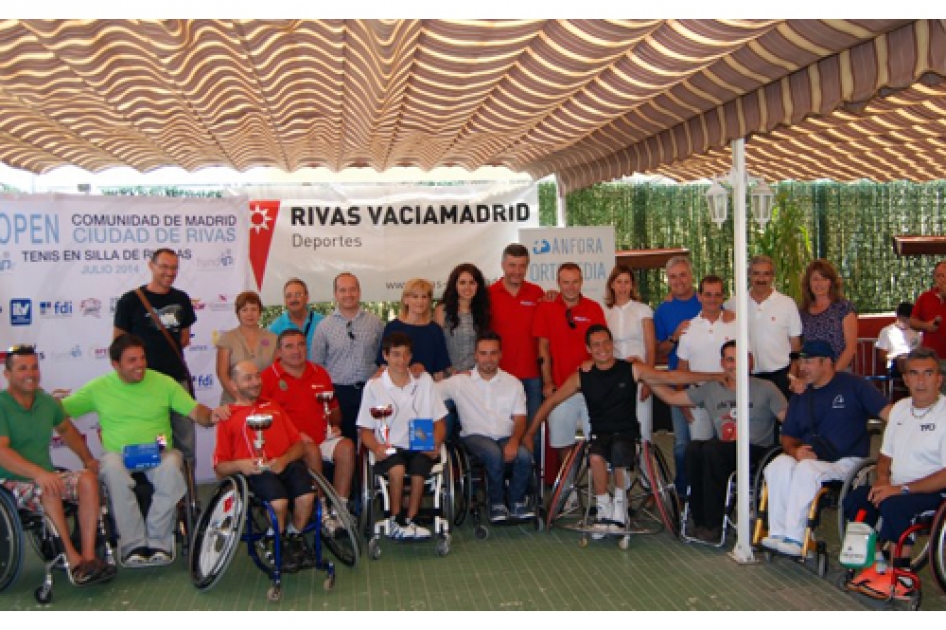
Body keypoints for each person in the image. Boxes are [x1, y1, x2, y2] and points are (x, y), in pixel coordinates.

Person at [524, 325, 720, 537]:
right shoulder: (582, 376)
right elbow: (551, 401)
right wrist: (529, 433)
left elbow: (671, 378)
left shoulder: (631, 369)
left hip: (627, 434)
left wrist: (713, 376)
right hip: (600, 435)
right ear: (588, 349)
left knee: (618, 450)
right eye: (596, 345)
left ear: (613, 344)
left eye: (606, 343)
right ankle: (603, 508)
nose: (603, 348)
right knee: (596, 456)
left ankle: (620, 506)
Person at [61, 334, 224, 566]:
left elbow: (196, 411)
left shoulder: (164, 382)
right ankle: (133, 544)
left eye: (142, 358)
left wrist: (211, 416)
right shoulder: (98, 388)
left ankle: (159, 541)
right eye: (132, 360)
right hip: (119, 454)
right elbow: (60, 413)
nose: (140, 365)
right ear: (115, 364)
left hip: (158, 452)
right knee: (112, 469)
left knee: (171, 466)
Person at [761, 339, 891, 557]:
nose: (803, 367)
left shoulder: (855, 386)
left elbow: (891, 415)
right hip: (812, 456)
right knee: (778, 465)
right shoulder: (802, 394)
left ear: (827, 362)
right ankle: (778, 533)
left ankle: (797, 536)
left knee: (806, 469)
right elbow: (788, 436)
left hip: (847, 461)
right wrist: (795, 451)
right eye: (802, 361)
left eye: (809, 362)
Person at [648, 341, 787, 542]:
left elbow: (789, 420)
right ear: (722, 363)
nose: (735, 364)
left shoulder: (766, 388)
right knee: (694, 448)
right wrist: (645, 378)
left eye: (741, 358)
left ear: (750, 361)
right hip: (723, 453)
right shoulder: (712, 389)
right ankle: (700, 520)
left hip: (755, 452)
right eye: (730, 359)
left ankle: (713, 525)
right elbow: (671, 397)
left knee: (712, 449)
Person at [0, 345, 115, 585]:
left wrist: (88, 459)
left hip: (44, 477)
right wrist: (39, 474)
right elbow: (2, 452)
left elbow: (67, 430)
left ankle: (89, 557)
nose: (30, 373)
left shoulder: (46, 402)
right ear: (7, 374)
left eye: (34, 367)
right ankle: (72, 561)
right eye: (22, 368)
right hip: (9, 483)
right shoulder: (2, 405)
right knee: (50, 486)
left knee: (87, 480)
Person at [841, 347, 946, 593]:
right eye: (914, 374)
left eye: (928, 373)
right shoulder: (899, 409)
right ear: (906, 379)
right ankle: (877, 566)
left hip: (934, 491)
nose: (921, 381)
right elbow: (884, 455)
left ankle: (902, 575)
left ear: (939, 379)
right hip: (896, 486)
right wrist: (881, 480)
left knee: (895, 505)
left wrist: (899, 490)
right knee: (857, 499)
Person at [213, 361, 315, 572]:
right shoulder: (227, 417)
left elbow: (299, 445)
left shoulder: (273, 407)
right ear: (233, 384)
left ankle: (292, 538)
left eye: (257, 376)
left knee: (307, 497)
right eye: (248, 378)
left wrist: (284, 460)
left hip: (284, 464)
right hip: (254, 473)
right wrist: (242, 464)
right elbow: (220, 468)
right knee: (278, 503)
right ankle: (275, 538)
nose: (255, 382)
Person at [358, 333, 447, 540]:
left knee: (418, 470)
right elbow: (365, 430)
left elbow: (439, 421)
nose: (402, 360)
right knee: (397, 469)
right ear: (385, 356)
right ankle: (395, 519)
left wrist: (436, 441)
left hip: (419, 442)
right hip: (389, 446)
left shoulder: (424, 380)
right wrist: (376, 448)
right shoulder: (374, 386)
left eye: (406, 355)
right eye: (396, 355)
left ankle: (411, 519)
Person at [436, 332, 533, 523]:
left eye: (493, 353)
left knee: (524, 455)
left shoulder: (513, 383)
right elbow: (428, 390)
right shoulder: (459, 382)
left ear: (500, 355)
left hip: (506, 435)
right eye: (483, 353)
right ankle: (496, 504)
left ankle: (516, 502)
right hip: (475, 437)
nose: (488, 358)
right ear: (475, 355)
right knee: (493, 453)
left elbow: (520, 418)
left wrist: (514, 441)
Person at [261, 329, 355, 524]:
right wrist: (295, 434)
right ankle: (320, 509)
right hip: (290, 444)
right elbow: (266, 420)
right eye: (289, 346)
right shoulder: (267, 378)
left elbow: (335, 413)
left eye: (301, 344)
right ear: (279, 351)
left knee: (346, 447)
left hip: (322, 437)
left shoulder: (320, 373)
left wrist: (333, 425)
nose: (296, 350)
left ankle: (340, 508)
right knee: (311, 450)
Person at [113, 248, 198, 463]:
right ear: (151, 266)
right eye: (164, 267)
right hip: (144, 386)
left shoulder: (182, 299)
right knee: (153, 446)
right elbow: (119, 344)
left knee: (186, 444)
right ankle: (158, 494)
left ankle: (188, 495)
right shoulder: (130, 300)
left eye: (174, 268)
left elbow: (185, 338)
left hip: (176, 382)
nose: (170, 272)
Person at [533, 263, 606, 462]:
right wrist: (547, 381)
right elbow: (543, 349)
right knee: (562, 443)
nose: (570, 287)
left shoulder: (593, 308)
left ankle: (598, 490)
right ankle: (569, 490)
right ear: (558, 283)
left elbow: (603, 345)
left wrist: (592, 360)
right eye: (566, 282)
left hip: (591, 388)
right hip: (560, 389)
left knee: (599, 441)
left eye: (575, 282)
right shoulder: (546, 307)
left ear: (581, 282)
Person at [310, 272, 385, 443]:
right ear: (335, 294)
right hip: (338, 394)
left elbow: (383, 358)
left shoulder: (375, 323)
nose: (348, 295)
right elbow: (316, 365)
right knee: (344, 444)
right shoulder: (324, 327)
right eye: (343, 290)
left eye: (352, 289)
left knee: (372, 440)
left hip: (370, 390)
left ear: (359, 292)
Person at [488, 243, 547, 448]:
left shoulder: (537, 293)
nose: (517, 271)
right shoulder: (489, 294)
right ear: (503, 265)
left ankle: (533, 479)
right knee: (500, 432)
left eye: (522, 266)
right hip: (498, 376)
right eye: (512, 265)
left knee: (532, 433)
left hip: (531, 375)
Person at [652, 256, 702, 496]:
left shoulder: (707, 300)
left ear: (691, 275)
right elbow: (659, 349)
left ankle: (708, 491)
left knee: (707, 443)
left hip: (709, 382)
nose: (679, 281)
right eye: (673, 277)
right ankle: (683, 494)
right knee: (682, 443)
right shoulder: (663, 310)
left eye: (683, 275)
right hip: (678, 383)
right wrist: (674, 337)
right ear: (667, 280)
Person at [726, 254, 802, 399]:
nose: (761, 279)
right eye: (756, 274)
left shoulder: (787, 304)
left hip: (781, 374)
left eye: (766, 274)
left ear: (773, 276)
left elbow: (795, 343)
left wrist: (792, 374)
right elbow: (712, 310)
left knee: (782, 419)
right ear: (749, 275)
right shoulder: (733, 303)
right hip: (748, 375)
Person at [676, 275, 738, 442]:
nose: (713, 299)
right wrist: (683, 402)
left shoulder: (735, 324)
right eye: (708, 294)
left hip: (730, 398)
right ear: (699, 296)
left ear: (723, 297)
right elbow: (682, 369)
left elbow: (747, 360)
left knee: (729, 449)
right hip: (700, 399)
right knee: (700, 450)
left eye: (717, 295)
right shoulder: (688, 329)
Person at [603, 264, 656, 440]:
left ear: (632, 285)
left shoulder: (643, 310)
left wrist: (649, 381)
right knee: (617, 429)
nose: (623, 287)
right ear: (612, 284)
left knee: (643, 429)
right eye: (619, 282)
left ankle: (646, 467)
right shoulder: (606, 312)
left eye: (627, 282)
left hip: (640, 375)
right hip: (614, 378)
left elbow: (650, 347)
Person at [377, 278, 451, 380]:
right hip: (397, 389)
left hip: (425, 390)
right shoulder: (393, 327)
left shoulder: (435, 330)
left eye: (424, 297)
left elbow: (439, 371)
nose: (420, 301)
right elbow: (384, 365)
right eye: (415, 297)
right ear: (406, 300)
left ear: (429, 300)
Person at [215, 291, 277, 405]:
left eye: (253, 309)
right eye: (244, 310)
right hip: (233, 402)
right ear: (238, 313)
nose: (249, 314)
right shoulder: (227, 338)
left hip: (265, 401)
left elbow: (276, 373)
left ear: (260, 312)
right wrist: (241, 400)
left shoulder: (273, 339)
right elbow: (222, 374)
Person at [799, 259, 857, 373]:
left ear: (831, 282)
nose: (819, 284)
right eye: (815, 279)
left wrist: (832, 374)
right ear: (808, 282)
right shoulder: (802, 312)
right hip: (810, 374)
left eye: (824, 279)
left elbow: (850, 348)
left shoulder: (844, 308)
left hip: (839, 373)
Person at [434, 262, 491, 376]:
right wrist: (449, 371)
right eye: (462, 282)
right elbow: (437, 346)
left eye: (472, 283)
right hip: (449, 376)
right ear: (454, 285)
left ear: (478, 285)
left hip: (476, 376)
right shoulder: (442, 310)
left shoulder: (483, 311)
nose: (467, 287)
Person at [269, 278, 324, 354]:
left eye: (298, 295)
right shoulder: (275, 328)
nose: (293, 299)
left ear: (307, 297)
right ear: (284, 300)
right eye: (289, 296)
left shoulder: (322, 322)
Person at [877, 302, 920, 378]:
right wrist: (896, 356)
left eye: (909, 319)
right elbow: (882, 356)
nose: (906, 322)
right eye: (904, 319)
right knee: (903, 361)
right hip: (895, 365)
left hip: (914, 363)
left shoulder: (916, 332)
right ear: (897, 317)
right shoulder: (887, 331)